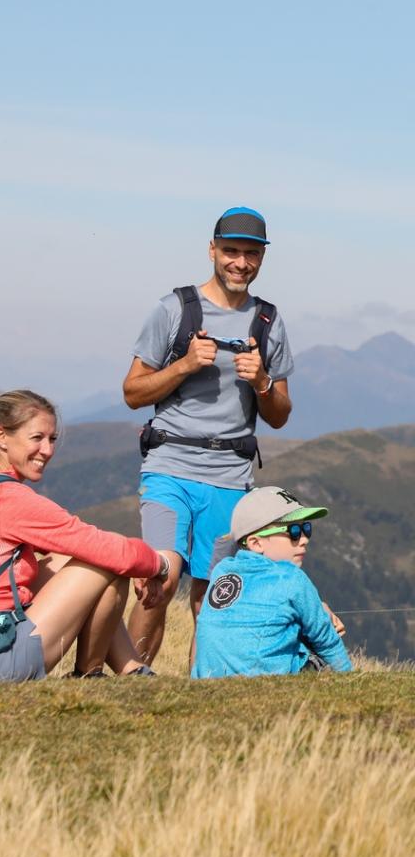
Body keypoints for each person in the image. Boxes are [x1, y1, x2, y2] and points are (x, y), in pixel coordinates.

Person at [123, 206, 294, 665]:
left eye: (251, 254)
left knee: (214, 593)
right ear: (212, 250)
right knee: (160, 576)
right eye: (231, 251)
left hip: (230, 476)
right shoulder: (175, 309)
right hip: (169, 466)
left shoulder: (268, 321)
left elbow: (279, 415)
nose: (240, 262)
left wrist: (261, 381)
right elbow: (133, 392)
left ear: (261, 259)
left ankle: (202, 692)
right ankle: (129, 682)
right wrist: (183, 365)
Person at [0, 389, 170, 687]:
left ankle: (131, 668)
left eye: (52, 439)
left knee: (77, 557)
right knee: (107, 562)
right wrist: (158, 567)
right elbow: (111, 551)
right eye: (37, 438)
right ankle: (89, 674)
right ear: (1, 437)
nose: (47, 450)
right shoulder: (11, 499)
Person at [192, 486, 352, 677]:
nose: (304, 539)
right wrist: (349, 678)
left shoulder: (222, 571)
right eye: (293, 531)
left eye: (306, 528)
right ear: (256, 543)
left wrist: (318, 607)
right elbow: (326, 641)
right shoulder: (291, 577)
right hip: (264, 684)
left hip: (208, 682)